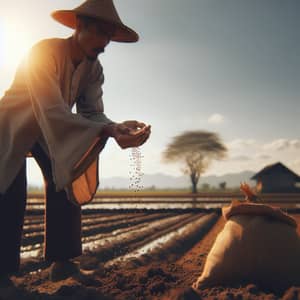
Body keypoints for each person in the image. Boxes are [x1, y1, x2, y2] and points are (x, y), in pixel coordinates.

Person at [0, 0, 151, 283]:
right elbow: (52, 110)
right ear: (80, 27)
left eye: (108, 36)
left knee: (68, 175)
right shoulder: (43, 53)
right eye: (99, 33)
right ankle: (2, 278)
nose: (104, 42)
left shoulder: (94, 70)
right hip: (11, 126)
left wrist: (115, 127)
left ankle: (63, 262)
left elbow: (92, 112)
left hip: (50, 130)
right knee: (10, 192)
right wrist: (106, 130)